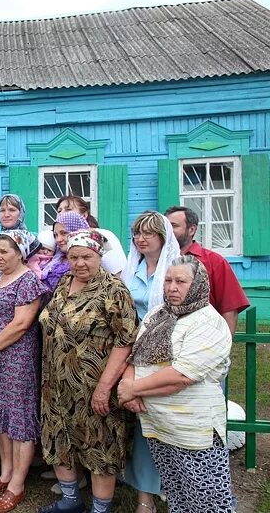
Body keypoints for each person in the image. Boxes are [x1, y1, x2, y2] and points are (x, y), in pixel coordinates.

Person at [118, 256, 234, 513]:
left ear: (198, 285)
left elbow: (183, 375)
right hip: (159, 425)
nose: (172, 287)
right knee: (178, 495)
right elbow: (135, 357)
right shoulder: (157, 315)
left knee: (207, 500)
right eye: (168, 280)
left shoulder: (208, 322)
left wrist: (133, 389)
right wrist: (129, 385)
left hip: (193, 432)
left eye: (181, 281)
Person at [38, 230, 138, 513]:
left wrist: (105, 387)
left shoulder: (114, 290)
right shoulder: (64, 282)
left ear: (99, 256)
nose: (80, 263)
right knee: (58, 438)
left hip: (93, 385)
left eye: (87, 257)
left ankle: (100, 508)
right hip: (55, 384)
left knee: (100, 446)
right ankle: (70, 501)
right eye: (73, 257)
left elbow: (125, 340)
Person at [0, 231, 50, 513]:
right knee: (2, 417)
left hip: (15, 360)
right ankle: (5, 474)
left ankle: (17, 484)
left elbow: (21, 324)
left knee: (19, 420)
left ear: (20, 253)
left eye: (5, 251)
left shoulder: (28, 281)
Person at [121, 211, 180, 513]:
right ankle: (145, 494)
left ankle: (173, 486)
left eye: (148, 233)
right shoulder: (132, 269)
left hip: (166, 352)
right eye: (136, 233)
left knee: (167, 423)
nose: (141, 239)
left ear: (163, 236)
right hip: (133, 351)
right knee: (142, 424)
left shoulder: (176, 269)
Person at [164, 206, 250, 334]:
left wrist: (225, 345)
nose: (168, 232)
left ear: (191, 229)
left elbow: (229, 307)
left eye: (174, 226)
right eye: (165, 227)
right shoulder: (158, 260)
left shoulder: (214, 261)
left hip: (203, 336)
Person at [55, 195, 127, 275]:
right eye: (59, 211)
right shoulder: (61, 241)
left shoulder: (100, 236)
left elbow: (117, 273)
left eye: (68, 210)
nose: (62, 214)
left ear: (84, 215)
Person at [0, 194, 41, 283]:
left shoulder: (27, 239)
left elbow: (34, 271)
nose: (6, 215)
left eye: (12, 210)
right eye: (2, 210)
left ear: (21, 213)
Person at [40, 212, 90, 291]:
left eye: (63, 233)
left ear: (77, 231)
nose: (58, 240)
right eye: (55, 235)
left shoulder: (87, 261)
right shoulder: (56, 257)